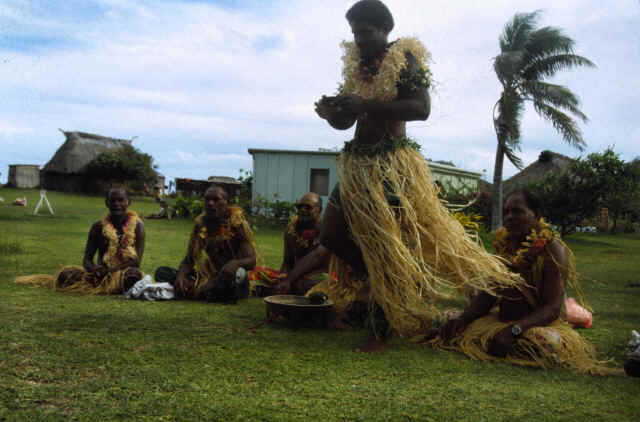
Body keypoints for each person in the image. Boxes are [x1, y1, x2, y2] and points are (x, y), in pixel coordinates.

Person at [311, 0, 521, 352]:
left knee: (385, 246)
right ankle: (383, 277)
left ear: (384, 29)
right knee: (330, 234)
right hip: (357, 166)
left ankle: (381, 330)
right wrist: (332, 113)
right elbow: (348, 122)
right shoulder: (358, 64)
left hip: (390, 167)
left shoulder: (404, 58)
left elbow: (421, 108)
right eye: (355, 34)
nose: (359, 40)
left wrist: (364, 105)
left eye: (365, 32)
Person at [429, 189, 613, 374]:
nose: (509, 217)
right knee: (443, 323)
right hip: (500, 320)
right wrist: (463, 319)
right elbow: (489, 294)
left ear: (537, 215)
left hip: (536, 327)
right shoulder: (503, 245)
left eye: (517, 212)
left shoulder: (553, 250)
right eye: (507, 212)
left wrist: (514, 331)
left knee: (542, 345)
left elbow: (552, 308)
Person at [15, 187, 146, 294]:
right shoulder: (98, 227)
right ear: (107, 203)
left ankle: (111, 285)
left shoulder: (138, 226)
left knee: (133, 277)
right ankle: (107, 286)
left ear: (128, 202)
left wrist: (111, 272)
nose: (117, 204)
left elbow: (136, 262)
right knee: (65, 275)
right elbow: (87, 259)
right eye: (113, 201)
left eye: (121, 200)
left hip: (122, 273)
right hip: (99, 274)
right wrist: (93, 270)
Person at [172, 185, 256, 303]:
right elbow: (190, 259)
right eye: (207, 199)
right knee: (164, 272)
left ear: (226, 202)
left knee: (238, 275)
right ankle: (206, 290)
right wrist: (180, 276)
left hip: (232, 277)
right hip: (209, 275)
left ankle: (202, 290)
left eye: (216, 200)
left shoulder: (237, 224)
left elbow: (252, 260)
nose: (210, 203)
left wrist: (235, 263)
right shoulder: (201, 224)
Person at [250, 192, 330, 296]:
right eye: (299, 206)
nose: (302, 209)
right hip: (295, 276)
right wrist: (282, 277)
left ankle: (276, 290)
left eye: (308, 207)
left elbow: (316, 257)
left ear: (319, 209)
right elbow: (288, 261)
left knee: (310, 284)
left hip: (321, 276)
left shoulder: (327, 230)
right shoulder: (291, 230)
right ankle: (282, 288)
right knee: (260, 273)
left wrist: (289, 279)